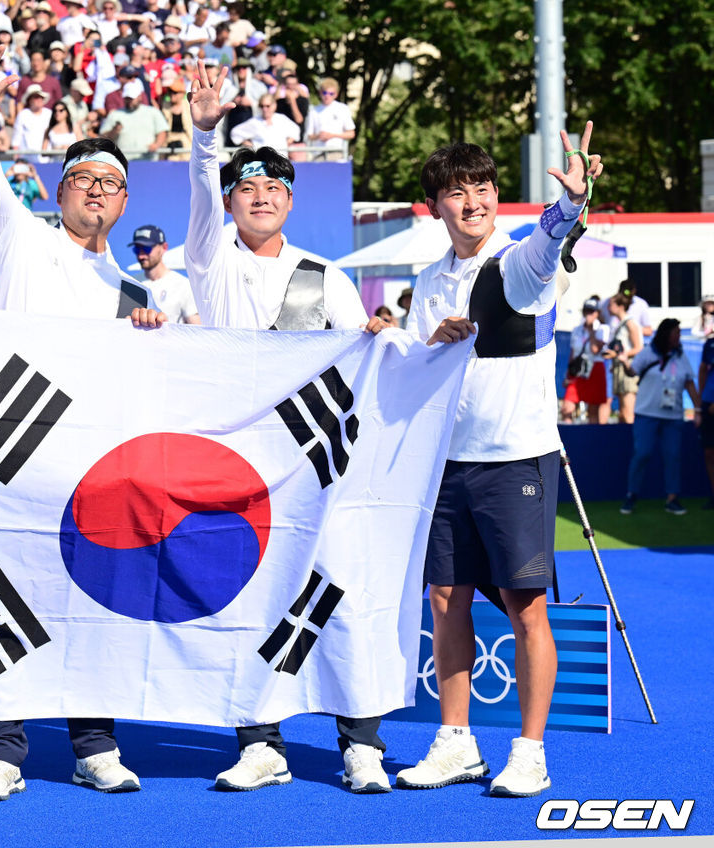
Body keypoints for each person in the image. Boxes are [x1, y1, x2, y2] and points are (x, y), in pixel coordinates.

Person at [0, 44, 163, 800]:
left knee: (94, 603)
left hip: (92, 466)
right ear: (60, 188)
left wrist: (151, 337)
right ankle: (1, 752)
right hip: (13, 452)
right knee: (5, 600)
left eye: (111, 182)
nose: (97, 191)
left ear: (124, 199)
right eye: (84, 178)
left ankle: (95, 745)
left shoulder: (133, 291)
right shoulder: (20, 236)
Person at [185, 59, 391, 794]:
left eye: (274, 188)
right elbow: (201, 191)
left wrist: (382, 335)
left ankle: (361, 743)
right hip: (239, 467)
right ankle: (260, 742)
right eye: (247, 188)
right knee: (251, 603)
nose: (261, 197)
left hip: (316, 464)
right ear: (229, 202)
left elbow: (364, 356)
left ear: (291, 200)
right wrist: (205, 134)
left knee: (337, 598)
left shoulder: (324, 274)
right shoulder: (209, 261)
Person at [395, 122, 602, 797]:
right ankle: (456, 742)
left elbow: (549, 239)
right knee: (444, 601)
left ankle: (530, 751)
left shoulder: (518, 263)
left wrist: (572, 202)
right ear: (436, 207)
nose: (473, 202)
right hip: (446, 465)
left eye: (482, 187)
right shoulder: (428, 281)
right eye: (457, 192)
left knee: (524, 606)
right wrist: (432, 341)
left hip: (516, 460)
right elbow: (414, 374)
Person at [619, 319, 701, 516]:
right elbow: (632, 372)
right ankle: (631, 495)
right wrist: (624, 362)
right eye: (676, 332)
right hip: (646, 414)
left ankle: (672, 498)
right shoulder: (647, 352)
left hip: (673, 416)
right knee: (642, 453)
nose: (679, 336)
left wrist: (698, 409)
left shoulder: (681, 356)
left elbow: (689, 383)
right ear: (666, 334)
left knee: (673, 456)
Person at [129, 224, 199, 324]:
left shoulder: (183, 285)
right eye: (136, 249)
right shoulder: (131, 284)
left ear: (164, 247)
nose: (141, 256)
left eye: (146, 249)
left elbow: (196, 328)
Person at [560, 296, 610, 425]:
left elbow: (595, 349)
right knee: (567, 408)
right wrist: (568, 375)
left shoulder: (603, 329)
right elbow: (573, 354)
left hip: (595, 369)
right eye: (586, 311)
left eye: (592, 311)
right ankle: (568, 434)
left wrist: (592, 331)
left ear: (597, 313)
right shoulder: (577, 330)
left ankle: (592, 437)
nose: (589, 314)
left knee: (593, 411)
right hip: (578, 371)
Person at [100, 77, 168, 160]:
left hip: (148, 160)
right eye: (127, 98)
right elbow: (103, 138)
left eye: (131, 98)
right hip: (123, 161)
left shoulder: (153, 112)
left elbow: (162, 131)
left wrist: (157, 144)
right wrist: (114, 131)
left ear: (139, 97)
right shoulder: (115, 114)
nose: (129, 101)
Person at [602, 292, 643, 424]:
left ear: (620, 306)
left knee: (628, 412)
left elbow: (638, 347)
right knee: (622, 414)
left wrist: (618, 355)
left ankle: (632, 437)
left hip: (628, 370)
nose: (608, 308)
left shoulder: (630, 323)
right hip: (619, 370)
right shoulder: (619, 325)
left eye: (611, 305)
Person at [229, 94, 300, 155]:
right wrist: (252, 146)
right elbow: (235, 133)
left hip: (281, 158)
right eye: (262, 106)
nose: (264, 109)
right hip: (262, 160)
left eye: (267, 106)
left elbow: (296, 130)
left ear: (274, 105)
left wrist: (286, 144)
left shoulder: (281, 119)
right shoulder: (255, 122)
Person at [305, 78, 354, 161]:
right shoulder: (313, 111)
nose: (327, 96)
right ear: (320, 93)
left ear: (336, 94)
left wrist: (332, 135)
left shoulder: (343, 109)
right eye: (325, 93)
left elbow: (351, 133)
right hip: (318, 154)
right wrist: (319, 136)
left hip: (336, 152)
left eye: (331, 93)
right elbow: (309, 136)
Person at [699, 330, 714, 509]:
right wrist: (702, 399)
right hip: (708, 404)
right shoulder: (710, 345)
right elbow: (703, 369)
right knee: (709, 452)